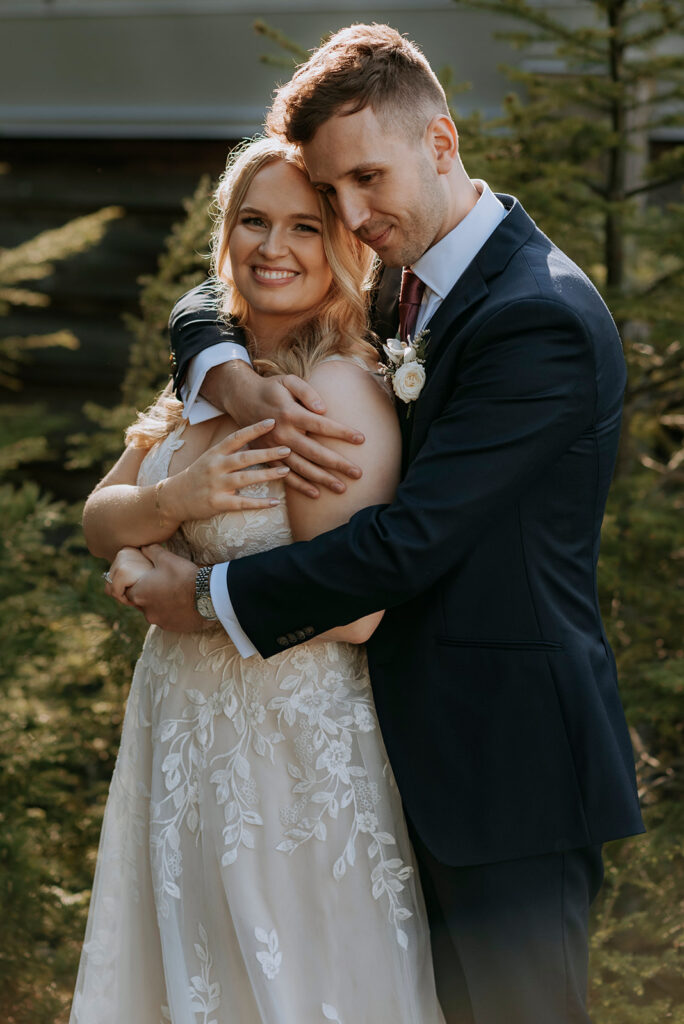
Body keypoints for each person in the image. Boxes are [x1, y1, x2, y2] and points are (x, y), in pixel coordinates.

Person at [127, 24, 646, 1024]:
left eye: (369, 179)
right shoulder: (402, 275)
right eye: (335, 195)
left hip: (505, 776)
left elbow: (406, 547)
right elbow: (218, 292)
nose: (353, 217)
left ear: (441, 142)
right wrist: (221, 370)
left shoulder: (538, 317)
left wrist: (196, 598)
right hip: (384, 764)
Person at [71, 135, 445, 1024]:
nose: (273, 248)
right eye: (253, 222)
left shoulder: (333, 393)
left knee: (282, 986)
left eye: (304, 228)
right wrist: (175, 502)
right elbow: (98, 518)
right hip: (182, 732)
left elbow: (353, 610)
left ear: (344, 246)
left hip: (282, 752)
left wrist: (181, 588)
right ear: (225, 234)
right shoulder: (209, 376)